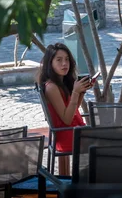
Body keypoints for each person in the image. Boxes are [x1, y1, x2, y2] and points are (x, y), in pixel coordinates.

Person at [38, 42, 93, 176]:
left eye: (67, 59)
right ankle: (88, 180)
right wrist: (75, 92)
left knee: (104, 137)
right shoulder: (51, 87)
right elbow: (67, 119)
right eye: (59, 60)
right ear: (50, 63)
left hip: (72, 131)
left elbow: (72, 110)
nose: (64, 63)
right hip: (66, 134)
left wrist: (82, 91)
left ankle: (86, 179)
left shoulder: (60, 83)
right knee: (106, 140)